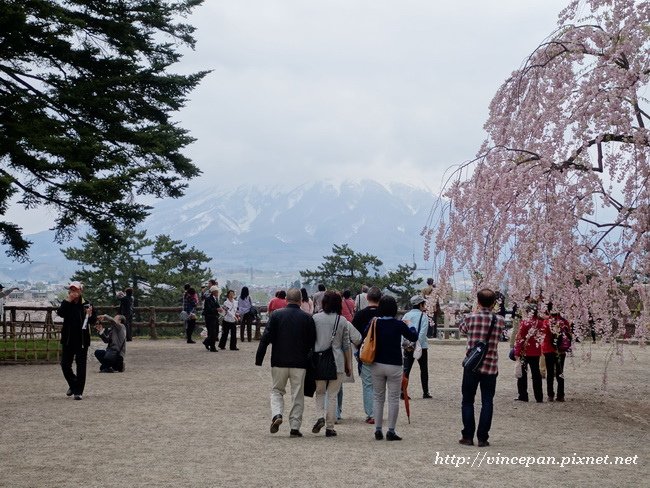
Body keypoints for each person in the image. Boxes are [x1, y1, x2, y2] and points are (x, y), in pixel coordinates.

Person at [255, 288, 316, 438]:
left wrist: (259, 358)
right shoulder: (307, 318)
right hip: (300, 363)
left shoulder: (276, 315)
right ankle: (295, 427)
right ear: (301, 301)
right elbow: (312, 341)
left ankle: (277, 414)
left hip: (279, 361)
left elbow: (266, 338)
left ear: (286, 300)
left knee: (277, 391)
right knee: (297, 395)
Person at [458, 288, 505, 447]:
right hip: (490, 366)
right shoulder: (499, 321)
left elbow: (462, 330)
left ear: (477, 302)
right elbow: (499, 336)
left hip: (472, 365)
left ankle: (468, 436)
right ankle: (483, 438)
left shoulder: (470, 318)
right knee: (487, 401)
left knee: (467, 400)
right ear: (494, 303)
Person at [368, 295, 417, 441]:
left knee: (378, 397)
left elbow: (365, 334)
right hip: (394, 364)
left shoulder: (375, 322)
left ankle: (377, 429)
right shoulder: (399, 324)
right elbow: (413, 337)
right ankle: (391, 430)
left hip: (377, 363)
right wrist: (410, 325)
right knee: (393, 398)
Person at [311, 291, 352, 437]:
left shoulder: (315, 318)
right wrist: (349, 365)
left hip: (319, 361)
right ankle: (330, 426)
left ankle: (319, 417)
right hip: (337, 361)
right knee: (333, 395)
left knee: (320, 392)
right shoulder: (342, 321)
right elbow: (346, 344)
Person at [57, 281, 97, 400]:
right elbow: (60, 313)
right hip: (68, 339)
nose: (74, 292)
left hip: (82, 340)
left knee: (81, 366)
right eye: (72, 290)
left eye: (76, 290)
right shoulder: (67, 303)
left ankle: (78, 391)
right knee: (65, 365)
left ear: (80, 291)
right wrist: (68, 300)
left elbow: (93, 320)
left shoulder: (87, 304)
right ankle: (73, 384)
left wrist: (90, 315)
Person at [352, 286, 382, 424]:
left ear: (367, 298)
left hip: (366, 353)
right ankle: (379, 411)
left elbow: (354, 336)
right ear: (380, 298)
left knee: (368, 384)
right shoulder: (384, 314)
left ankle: (371, 414)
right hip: (382, 353)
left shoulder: (359, 315)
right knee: (381, 385)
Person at [401, 295, 432, 399]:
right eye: (423, 304)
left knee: (406, 369)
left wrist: (405, 344)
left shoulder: (406, 316)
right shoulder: (424, 316)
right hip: (421, 347)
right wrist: (417, 343)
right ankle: (425, 392)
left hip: (408, 346)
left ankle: (403, 392)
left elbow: (403, 332)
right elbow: (423, 333)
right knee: (424, 369)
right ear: (420, 304)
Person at [514, 306, 545, 403]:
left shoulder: (525, 323)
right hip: (535, 351)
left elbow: (520, 338)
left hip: (525, 351)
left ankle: (523, 395)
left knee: (523, 374)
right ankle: (539, 397)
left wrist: (517, 352)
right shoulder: (540, 323)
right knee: (536, 374)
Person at [541, 309, 572, 402]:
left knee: (550, 373)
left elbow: (544, 334)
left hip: (548, 350)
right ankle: (561, 395)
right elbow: (569, 334)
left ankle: (550, 395)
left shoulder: (546, 322)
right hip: (560, 351)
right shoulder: (564, 322)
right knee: (560, 372)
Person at [202, 285, 221, 352]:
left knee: (216, 332)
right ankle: (212, 347)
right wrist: (217, 309)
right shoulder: (208, 299)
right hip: (209, 317)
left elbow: (217, 307)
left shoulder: (216, 299)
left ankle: (206, 342)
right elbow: (208, 309)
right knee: (212, 333)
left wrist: (220, 309)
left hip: (215, 317)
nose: (217, 293)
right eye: (216, 292)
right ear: (213, 292)